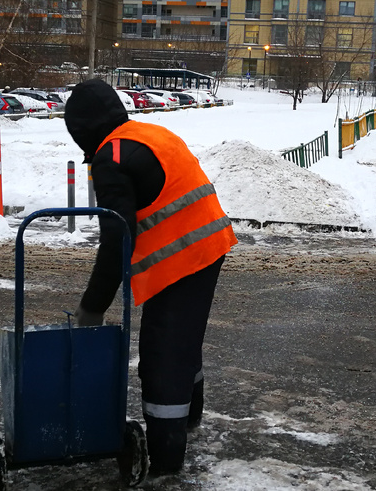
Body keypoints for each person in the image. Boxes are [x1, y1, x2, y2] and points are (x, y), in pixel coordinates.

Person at [64, 79, 237, 476]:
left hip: (183, 258)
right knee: (181, 338)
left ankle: (166, 460)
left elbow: (116, 237)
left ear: (81, 130)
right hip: (207, 245)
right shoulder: (147, 132)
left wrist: (92, 307)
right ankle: (190, 418)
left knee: (164, 356)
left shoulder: (112, 156)